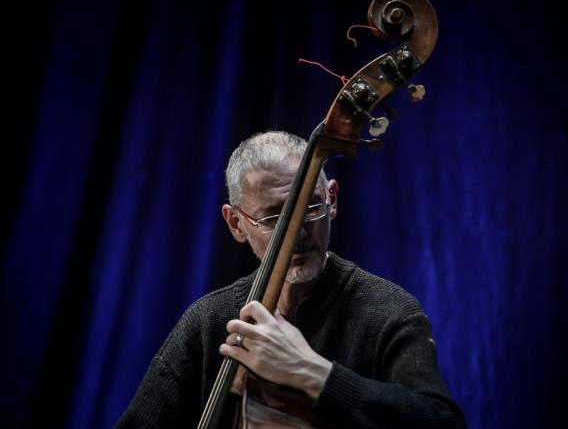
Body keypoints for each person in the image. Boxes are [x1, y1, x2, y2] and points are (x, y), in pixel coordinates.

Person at [115, 131, 466, 429]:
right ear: (236, 224)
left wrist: (314, 374)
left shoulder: (389, 311)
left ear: (332, 200)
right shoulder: (209, 321)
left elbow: (442, 423)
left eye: (310, 208)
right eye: (272, 219)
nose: (296, 234)